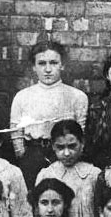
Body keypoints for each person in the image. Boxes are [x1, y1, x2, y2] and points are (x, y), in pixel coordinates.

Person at [10, 40, 88, 188]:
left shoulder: (77, 96)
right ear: (34, 66)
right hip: (33, 153)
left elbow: (81, 130)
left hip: (64, 154)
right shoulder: (23, 96)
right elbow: (16, 132)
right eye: (41, 63)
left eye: (53, 63)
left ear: (62, 65)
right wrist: (24, 156)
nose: (47, 69)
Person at [36, 120, 102, 217]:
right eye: (60, 147)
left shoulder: (93, 175)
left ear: (82, 143)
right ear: (53, 146)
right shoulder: (46, 175)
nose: (66, 153)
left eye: (72, 146)